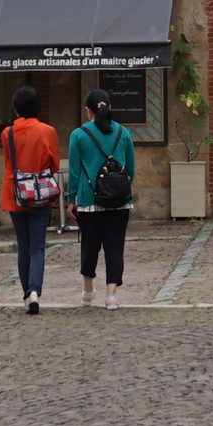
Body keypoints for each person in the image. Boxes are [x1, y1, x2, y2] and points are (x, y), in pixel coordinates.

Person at [63, 92, 139, 310]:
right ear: (110, 107)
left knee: (89, 246)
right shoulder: (123, 133)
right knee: (115, 247)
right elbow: (131, 169)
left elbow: (75, 171)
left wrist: (71, 200)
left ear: (88, 110)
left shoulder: (78, 135)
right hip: (120, 201)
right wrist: (117, 189)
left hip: (89, 200)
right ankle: (111, 296)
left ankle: (88, 291)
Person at [0, 85, 64, 313]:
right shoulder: (48, 131)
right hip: (41, 193)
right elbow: (54, 163)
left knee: (23, 245)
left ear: (17, 109)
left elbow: (9, 161)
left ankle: (27, 293)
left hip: (16, 193)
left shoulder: (7, 134)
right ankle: (35, 290)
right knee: (38, 245)